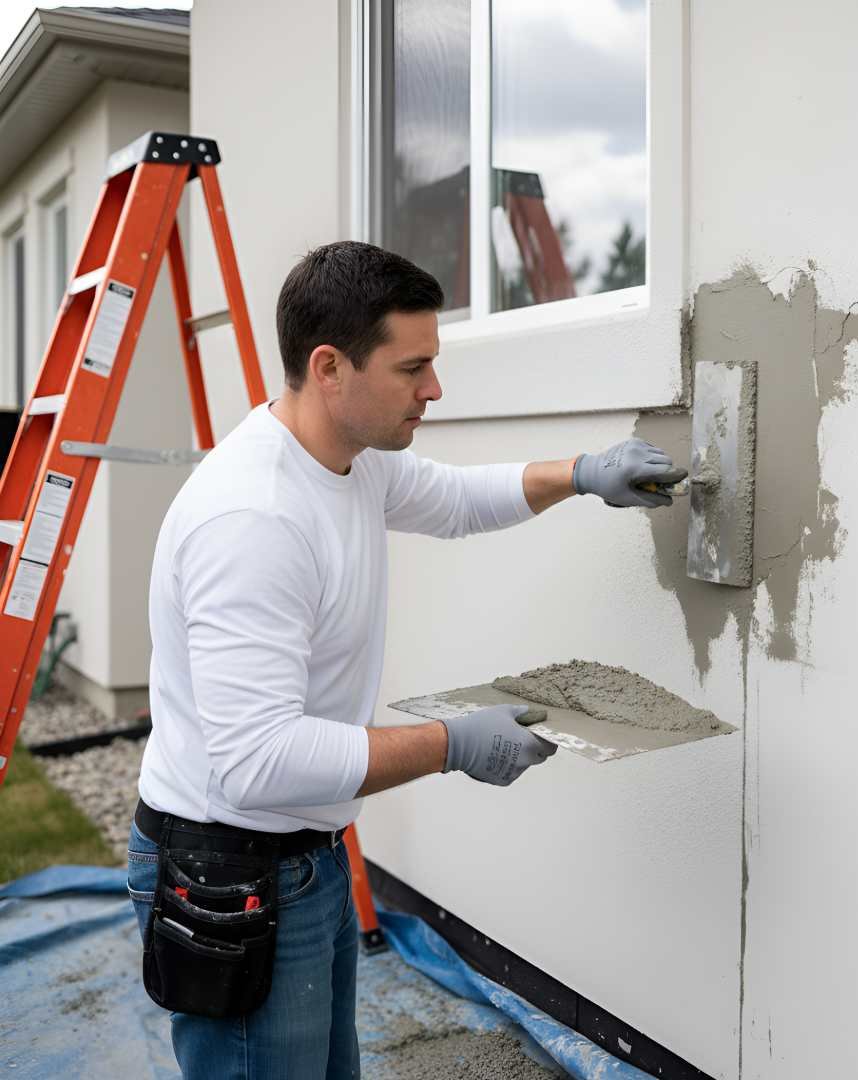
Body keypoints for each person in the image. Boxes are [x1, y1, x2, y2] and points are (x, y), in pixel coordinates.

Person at [126, 241, 686, 1079]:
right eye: (412, 366)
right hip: (231, 868)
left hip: (303, 853)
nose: (434, 389)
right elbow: (256, 762)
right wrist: (452, 746)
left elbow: (455, 499)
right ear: (329, 367)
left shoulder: (352, 462)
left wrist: (581, 473)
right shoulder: (253, 521)